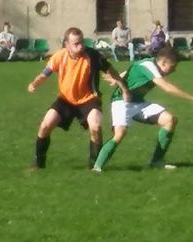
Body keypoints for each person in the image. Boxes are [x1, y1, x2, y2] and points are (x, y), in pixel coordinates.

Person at [93, 45, 193, 172]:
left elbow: (133, 68)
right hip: (122, 102)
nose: (174, 70)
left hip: (138, 103)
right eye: (173, 66)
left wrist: (118, 77)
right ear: (164, 62)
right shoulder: (150, 66)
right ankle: (97, 167)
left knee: (169, 120)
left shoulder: (148, 64)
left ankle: (156, 161)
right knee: (120, 134)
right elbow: (167, 88)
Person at [27, 26, 131, 170]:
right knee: (45, 125)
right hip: (65, 100)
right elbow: (45, 73)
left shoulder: (92, 56)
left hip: (89, 100)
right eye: (76, 44)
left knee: (96, 127)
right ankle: (38, 163)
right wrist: (35, 83)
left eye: (82, 42)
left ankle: (95, 165)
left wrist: (123, 86)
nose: (81, 46)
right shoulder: (59, 56)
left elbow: (110, 69)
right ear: (67, 44)